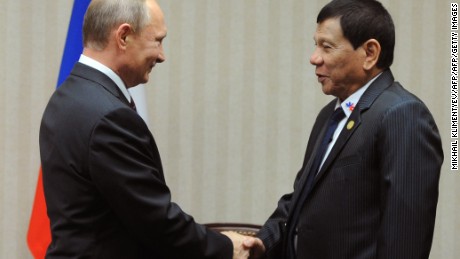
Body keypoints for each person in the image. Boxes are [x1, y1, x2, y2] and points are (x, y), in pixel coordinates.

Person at [39, 0, 249, 258]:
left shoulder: (67, 96)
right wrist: (228, 247)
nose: (162, 55)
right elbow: (155, 220)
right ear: (124, 36)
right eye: (157, 41)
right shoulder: (109, 116)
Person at [244, 0, 443, 258]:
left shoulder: (403, 114)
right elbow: (301, 201)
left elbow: (404, 238)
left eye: (326, 47)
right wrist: (262, 242)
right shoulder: (330, 115)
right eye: (315, 45)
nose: (314, 58)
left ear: (370, 53)